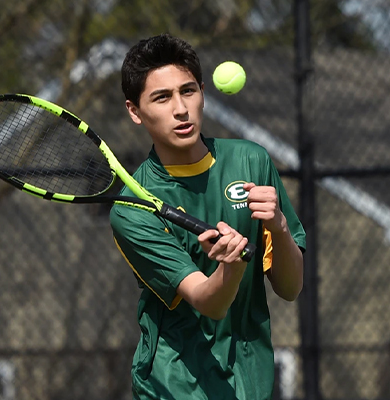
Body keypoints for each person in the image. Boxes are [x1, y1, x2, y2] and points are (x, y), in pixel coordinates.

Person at [110, 33, 306, 400]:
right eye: (162, 97)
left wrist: (278, 227)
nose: (180, 109)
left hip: (251, 381)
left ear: (203, 91)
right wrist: (230, 268)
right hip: (174, 386)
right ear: (135, 111)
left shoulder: (251, 161)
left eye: (188, 91)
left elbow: (291, 288)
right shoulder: (132, 208)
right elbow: (209, 302)